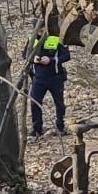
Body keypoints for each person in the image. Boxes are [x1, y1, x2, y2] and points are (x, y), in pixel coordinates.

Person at [29, 9, 70, 137]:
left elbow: (66, 56)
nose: (41, 32)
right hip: (38, 78)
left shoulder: (56, 38)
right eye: (39, 30)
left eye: (43, 29)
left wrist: (51, 60)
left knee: (59, 103)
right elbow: (25, 55)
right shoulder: (31, 39)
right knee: (35, 102)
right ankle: (37, 129)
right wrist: (33, 59)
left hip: (55, 78)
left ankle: (60, 127)